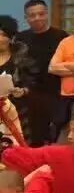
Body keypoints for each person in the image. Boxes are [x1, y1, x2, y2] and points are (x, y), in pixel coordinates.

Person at [15, 0, 67, 146]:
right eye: (32, 15)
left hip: (55, 93)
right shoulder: (20, 39)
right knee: (30, 137)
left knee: (52, 136)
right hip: (27, 95)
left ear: (47, 14)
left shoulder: (61, 36)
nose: (37, 18)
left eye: (41, 14)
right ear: (26, 18)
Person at [0, 15, 37, 145]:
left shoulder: (22, 57)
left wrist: (23, 90)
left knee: (16, 147)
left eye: (3, 35)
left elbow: (35, 81)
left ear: (11, 38)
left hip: (17, 109)